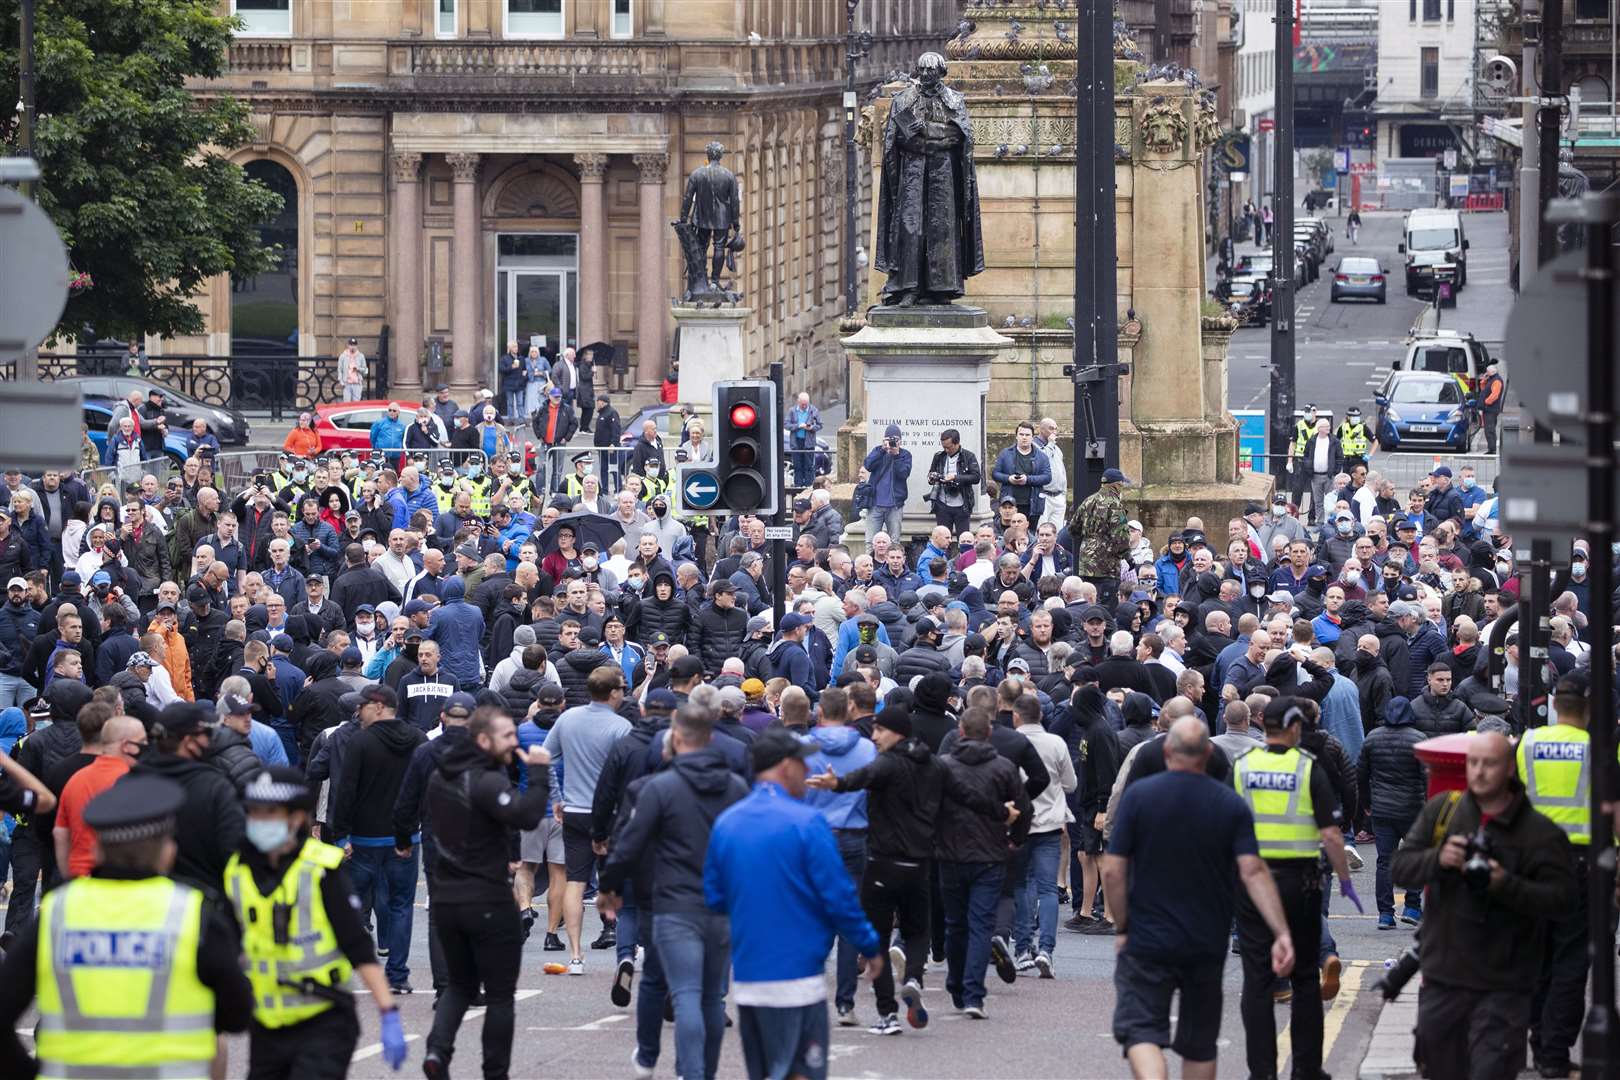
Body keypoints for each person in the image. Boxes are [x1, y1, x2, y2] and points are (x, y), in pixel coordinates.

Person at [0, 775, 255, 1079]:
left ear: (97, 850)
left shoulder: (58, 913)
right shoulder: (193, 911)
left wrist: (27, 1071)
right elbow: (238, 1014)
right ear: (167, 850)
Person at [1105, 716, 1295, 1080]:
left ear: (1166, 750)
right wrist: (1281, 931)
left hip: (1148, 935)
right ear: (1208, 752)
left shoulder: (1139, 798)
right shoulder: (1230, 804)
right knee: (1199, 1041)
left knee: (1142, 1030)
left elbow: (1113, 871)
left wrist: (1122, 925)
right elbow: (1253, 871)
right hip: (1206, 939)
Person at [1392, 731, 1574, 1080]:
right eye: (1473, 763)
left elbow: (1562, 901)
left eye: (1489, 764)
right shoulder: (1443, 810)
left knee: (1490, 1071)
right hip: (1445, 978)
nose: (1478, 771)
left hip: (1504, 984)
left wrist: (1505, 883)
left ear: (1509, 769)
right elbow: (1401, 868)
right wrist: (1438, 859)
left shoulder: (1539, 833)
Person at [705, 728, 885, 1080]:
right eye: (803, 762)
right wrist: (868, 944)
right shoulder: (808, 823)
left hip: (749, 974)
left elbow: (714, 897)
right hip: (799, 973)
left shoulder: (728, 823)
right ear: (786, 766)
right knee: (802, 1071)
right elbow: (839, 897)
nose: (808, 769)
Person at [599, 705, 749, 1080]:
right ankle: (701, 1071)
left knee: (683, 993)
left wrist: (610, 887)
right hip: (722, 905)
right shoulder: (736, 787)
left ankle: (689, 1071)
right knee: (711, 997)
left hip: (675, 903)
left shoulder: (662, 788)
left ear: (677, 741)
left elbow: (629, 843)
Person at [226, 767, 406, 1078]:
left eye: (270, 813)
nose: (260, 821)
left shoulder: (321, 869)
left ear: (296, 818)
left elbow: (356, 944)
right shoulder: (237, 871)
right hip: (268, 1023)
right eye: (254, 812)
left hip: (323, 1019)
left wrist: (387, 1010)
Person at [1230, 695, 1359, 1080]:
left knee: (1256, 980)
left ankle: (1262, 1072)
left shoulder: (1241, 766)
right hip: (1298, 883)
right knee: (1304, 978)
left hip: (1251, 882)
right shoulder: (1307, 770)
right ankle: (1306, 1069)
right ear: (1293, 727)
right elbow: (1331, 835)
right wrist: (1346, 880)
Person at [422, 706, 553, 1080]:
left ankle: (437, 1052)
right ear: (483, 740)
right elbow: (526, 815)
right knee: (499, 995)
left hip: (446, 896)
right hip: (486, 898)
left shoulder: (440, 776)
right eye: (507, 736)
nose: (515, 743)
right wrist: (540, 772)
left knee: (460, 985)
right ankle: (495, 1073)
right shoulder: (485, 781)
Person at [1516, 673, 1595, 1077]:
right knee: (1571, 959)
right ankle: (1555, 1052)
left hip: (1530, 862)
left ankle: (1536, 1039)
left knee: (1537, 956)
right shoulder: (1596, 748)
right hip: (1578, 864)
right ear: (1587, 708)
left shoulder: (1528, 744)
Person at [544, 665, 633, 973]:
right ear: (612, 693)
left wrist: (557, 797)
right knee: (616, 879)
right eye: (621, 688)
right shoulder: (621, 727)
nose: (624, 692)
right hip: (608, 814)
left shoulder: (568, 719)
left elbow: (546, 757)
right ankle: (625, 945)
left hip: (574, 810)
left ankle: (576, 954)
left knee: (575, 881)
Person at [1073, 468, 1132, 608]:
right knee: (1106, 607)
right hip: (1107, 565)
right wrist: (1128, 557)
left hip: (1086, 564)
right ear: (1117, 485)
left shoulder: (1088, 501)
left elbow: (1073, 528)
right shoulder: (1115, 504)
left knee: (1086, 602)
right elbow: (1121, 538)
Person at [925, 428, 980, 537]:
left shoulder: (969, 456)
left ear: (957, 443)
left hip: (962, 505)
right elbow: (932, 472)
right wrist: (931, 478)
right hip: (942, 505)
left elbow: (976, 477)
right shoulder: (938, 456)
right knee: (942, 539)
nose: (946, 450)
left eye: (948, 447)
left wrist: (955, 477)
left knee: (964, 538)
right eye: (943, 447)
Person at [863, 425, 912, 544]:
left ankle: (892, 562)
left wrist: (896, 456)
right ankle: (871, 562)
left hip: (895, 506)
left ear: (900, 441)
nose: (892, 442)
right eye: (889, 439)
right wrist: (882, 450)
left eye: (895, 439)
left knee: (894, 542)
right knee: (871, 541)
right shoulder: (878, 450)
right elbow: (868, 465)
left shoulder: (905, 455)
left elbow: (903, 473)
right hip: (875, 504)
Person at [786, 392, 823, 488]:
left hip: (809, 442)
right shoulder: (792, 411)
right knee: (797, 465)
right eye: (802, 404)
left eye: (806, 404)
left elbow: (820, 425)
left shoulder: (813, 410)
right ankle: (798, 485)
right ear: (798, 402)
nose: (804, 406)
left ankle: (809, 485)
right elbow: (786, 425)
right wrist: (798, 426)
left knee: (809, 465)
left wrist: (811, 428)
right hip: (796, 441)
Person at [1478, 362, 1506, 454]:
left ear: (1490, 372)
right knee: (1489, 429)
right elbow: (1483, 390)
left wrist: (1486, 402)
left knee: (1489, 429)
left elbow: (1495, 395)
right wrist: (1483, 380)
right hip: (1489, 409)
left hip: (1491, 409)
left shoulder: (1496, 381)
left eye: (1486, 372)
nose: (1485, 373)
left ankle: (1492, 449)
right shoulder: (1491, 379)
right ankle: (1492, 448)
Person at [338, 338, 367, 402]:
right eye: (351, 345)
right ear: (348, 345)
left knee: (356, 404)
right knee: (346, 404)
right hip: (347, 384)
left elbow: (366, 370)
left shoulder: (361, 356)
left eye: (354, 345)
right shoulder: (343, 356)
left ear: (357, 346)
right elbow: (340, 369)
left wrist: (358, 369)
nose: (352, 347)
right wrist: (341, 381)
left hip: (357, 384)